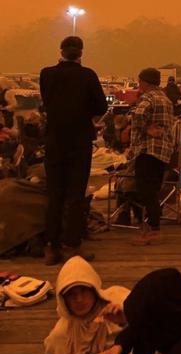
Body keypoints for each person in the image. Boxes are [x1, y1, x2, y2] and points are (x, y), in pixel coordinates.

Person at [39, 36, 108, 265]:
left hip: (53, 141)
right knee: (75, 195)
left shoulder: (46, 74)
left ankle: (51, 247)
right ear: (81, 53)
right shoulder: (87, 75)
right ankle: (71, 246)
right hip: (78, 141)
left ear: (60, 51)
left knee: (54, 194)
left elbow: (47, 102)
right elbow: (101, 106)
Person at [44, 256, 130, 354]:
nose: (79, 299)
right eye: (71, 294)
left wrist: (125, 319)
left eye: (84, 291)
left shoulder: (118, 301)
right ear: (64, 300)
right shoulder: (61, 335)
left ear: (94, 290)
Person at [130, 68, 174, 245]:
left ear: (145, 82)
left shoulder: (148, 98)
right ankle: (153, 227)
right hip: (163, 150)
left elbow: (139, 115)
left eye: (140, 81)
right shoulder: (166, 99)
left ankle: (152, 229)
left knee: (145, 190)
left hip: (148, 149)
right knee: (154, 189)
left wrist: (145, 129)